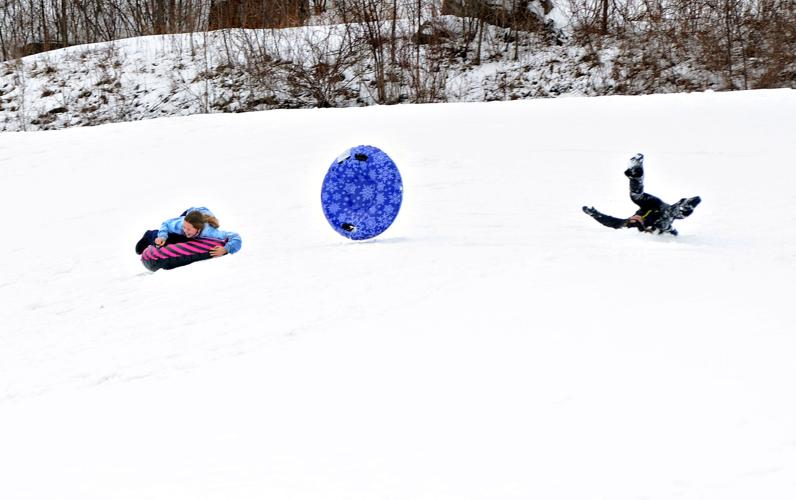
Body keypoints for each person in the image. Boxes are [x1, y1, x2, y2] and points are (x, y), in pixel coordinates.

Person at [582, 153, 701, 236]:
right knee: (664, 220)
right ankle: (684, 207)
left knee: (636, 197)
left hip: (650, 204)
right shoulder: (651, 226)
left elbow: (608, 221)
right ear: (642, 225)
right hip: (661, 212)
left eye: (631, 220)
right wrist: (671, 231)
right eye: (637, 221)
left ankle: (636, 173)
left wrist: (594, 213)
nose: (634, 218)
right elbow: (671, 232)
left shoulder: (623, 224)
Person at [135, 207, 242, 256]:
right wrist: (162, 236)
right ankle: (149, 235)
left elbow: (236, 237)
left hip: (201, 217)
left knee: (185, 237)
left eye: (189, 229)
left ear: (198, 229)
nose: (185, 230)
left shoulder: (210, 232)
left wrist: (226, 249)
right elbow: (166, 223)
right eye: (184, 227)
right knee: (174, 237)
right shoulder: (181, 224)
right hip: (190, 213)